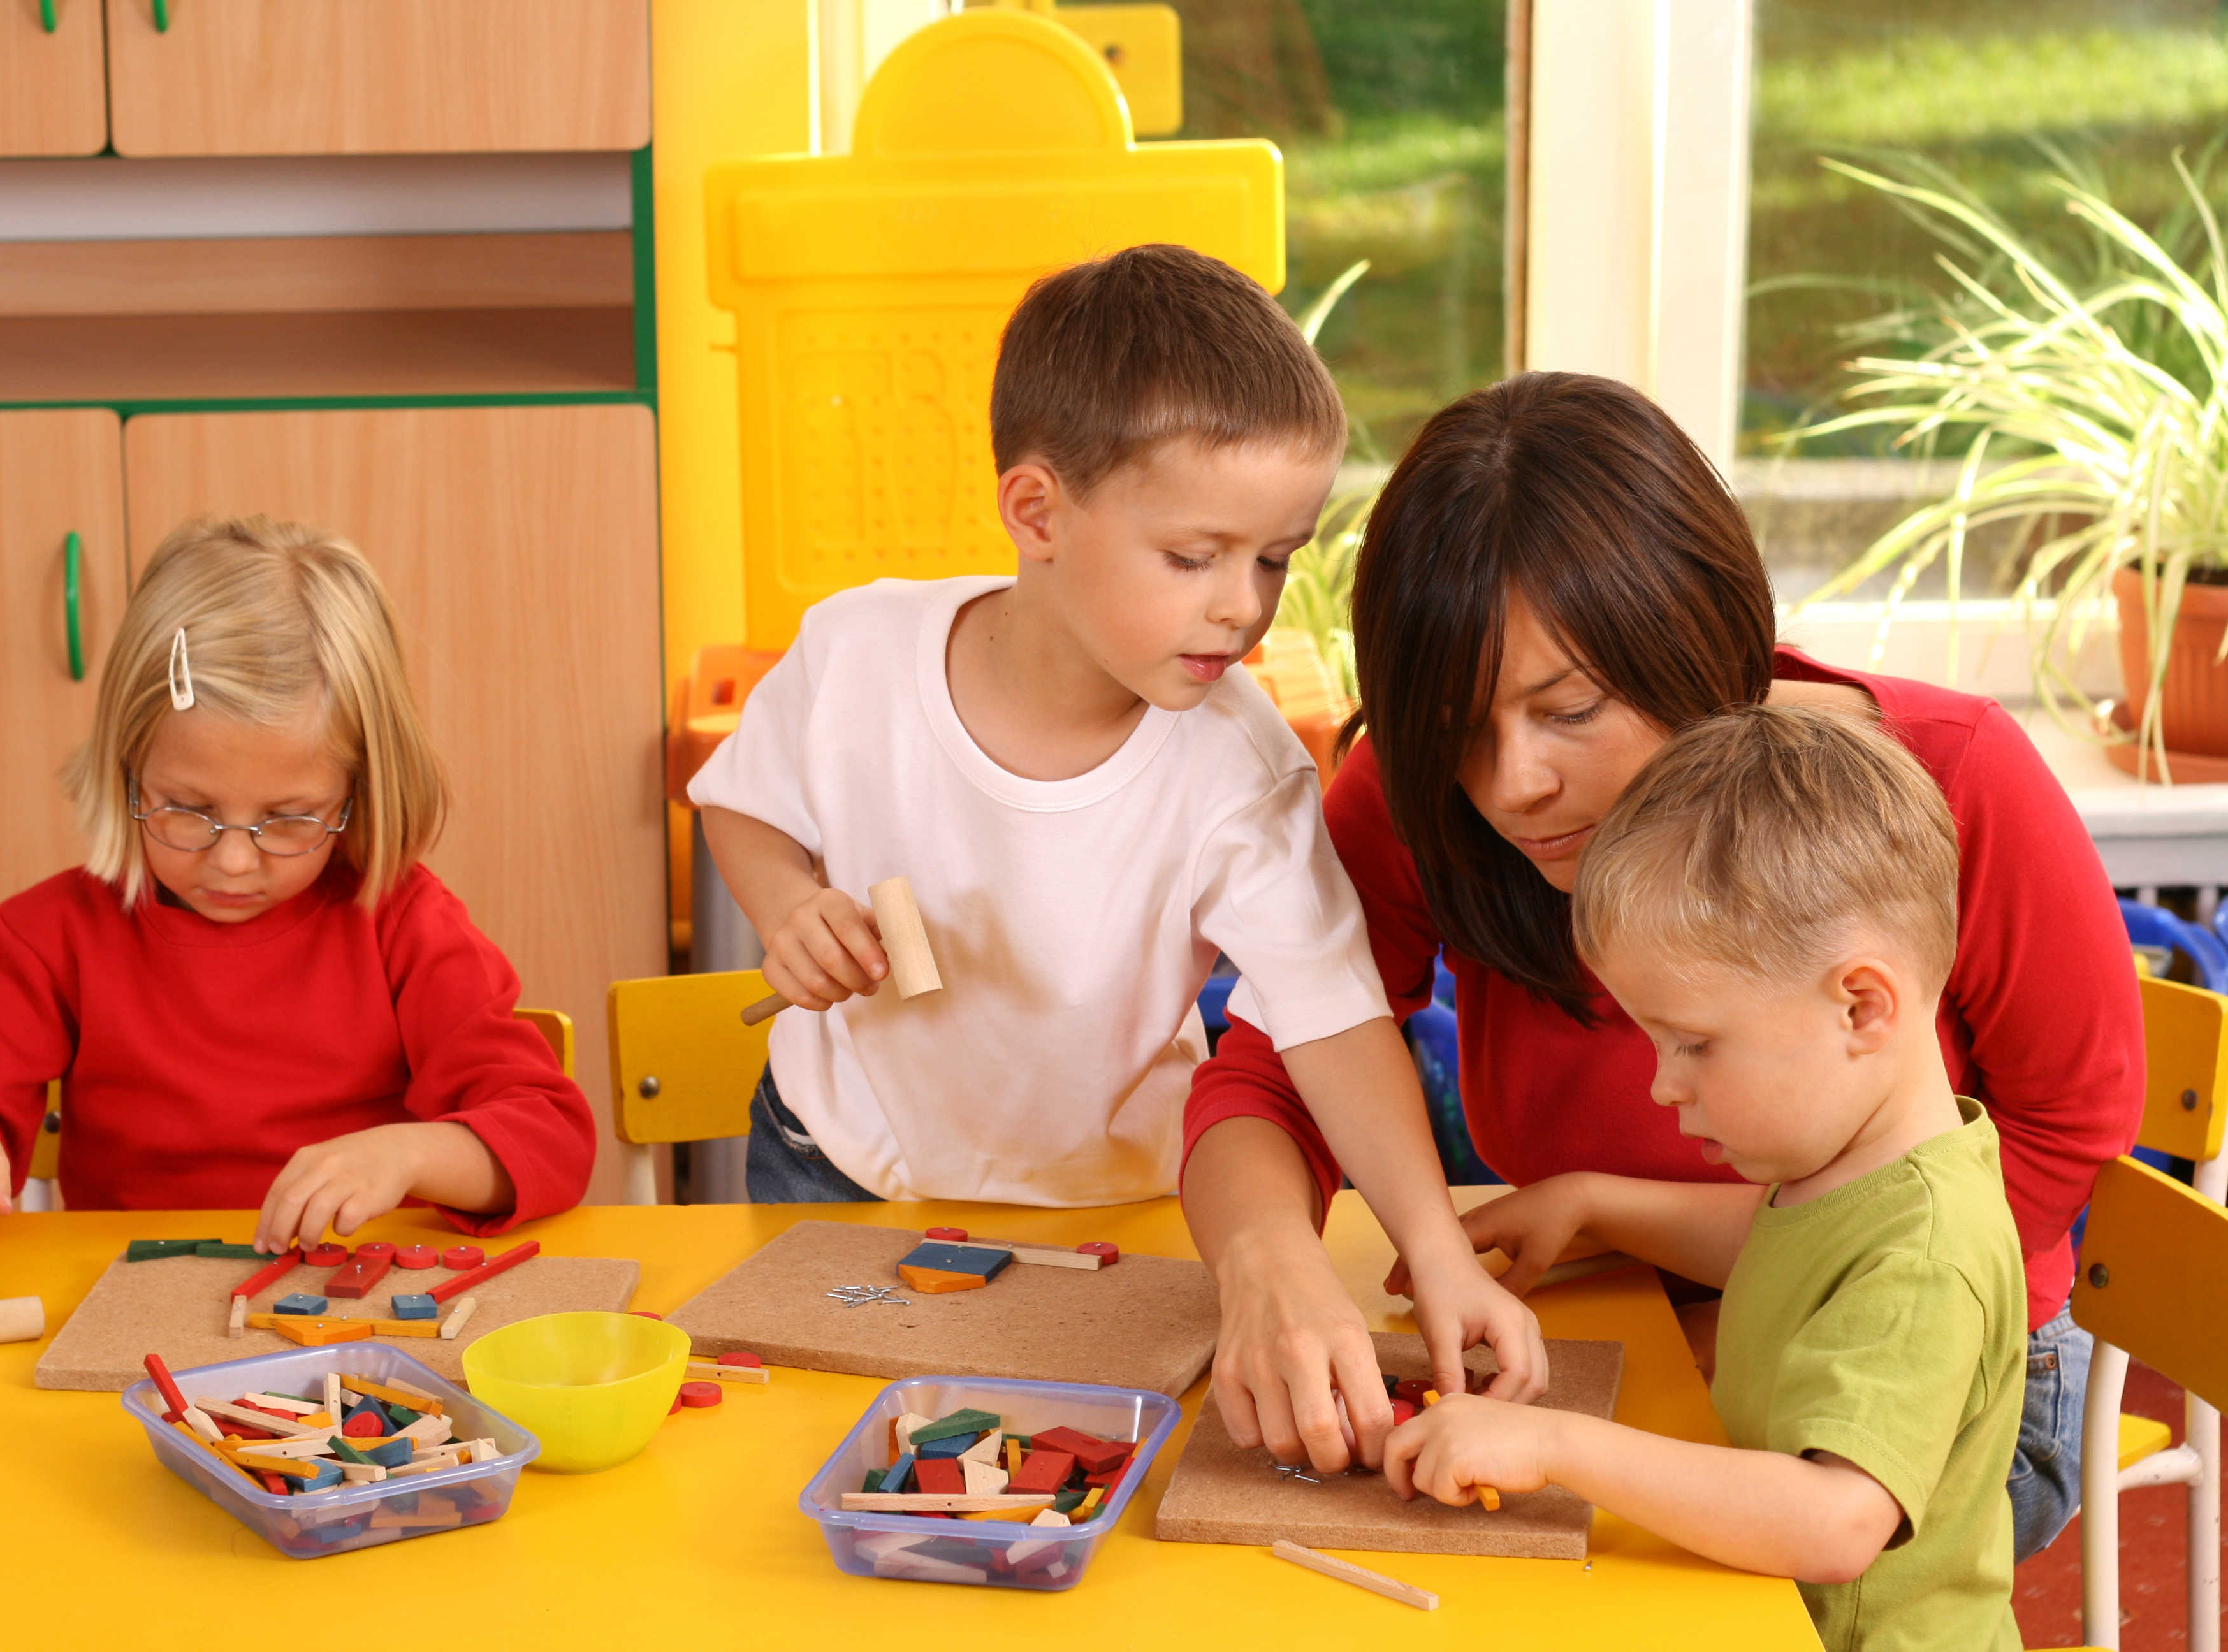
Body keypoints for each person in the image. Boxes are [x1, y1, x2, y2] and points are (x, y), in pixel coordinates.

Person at [1181, 371, 2139, 1551]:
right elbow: (1268, 1077)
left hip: (1914, 1374)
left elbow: (2064, 1129)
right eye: (1456, 728)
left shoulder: (1947, 779)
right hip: (1621, 1322)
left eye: (1568, 707)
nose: (1510, 784)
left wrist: (1752, 1322)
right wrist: (1266, 1263)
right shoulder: (1423, 800)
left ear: (1695, 640)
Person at [691, 243, 1543, 1417]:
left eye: (1273, 559)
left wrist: (1436, 1251)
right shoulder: (855, 654)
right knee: (814, 1458)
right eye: (1193, 557)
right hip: (836, 1164)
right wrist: (785, 902)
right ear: (1036, 511)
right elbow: (742, 801)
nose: (1241, 604)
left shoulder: (1238, 767)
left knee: (1069, 1480)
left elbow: (1335, 1023)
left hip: (1114, 1207)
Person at [1386, 702, 2024, 1652]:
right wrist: (1595, 1202)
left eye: (1694, 1043)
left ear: (1860, 1006)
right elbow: (1787, 1249)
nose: (1661, 1084)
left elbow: (1836, 1522)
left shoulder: (1929, 1252)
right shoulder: (1862, 1172)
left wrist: (1556, 1445)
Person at [0, 516, 596, 1250]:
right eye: (188, 809)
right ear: (126, 773)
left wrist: (409, 1155)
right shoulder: (43, 938)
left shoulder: (402, 923)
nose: (235, 861)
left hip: (354, 1297)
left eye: (290, 818)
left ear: (359, 793)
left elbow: (550, 1136)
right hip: (134, 1300)